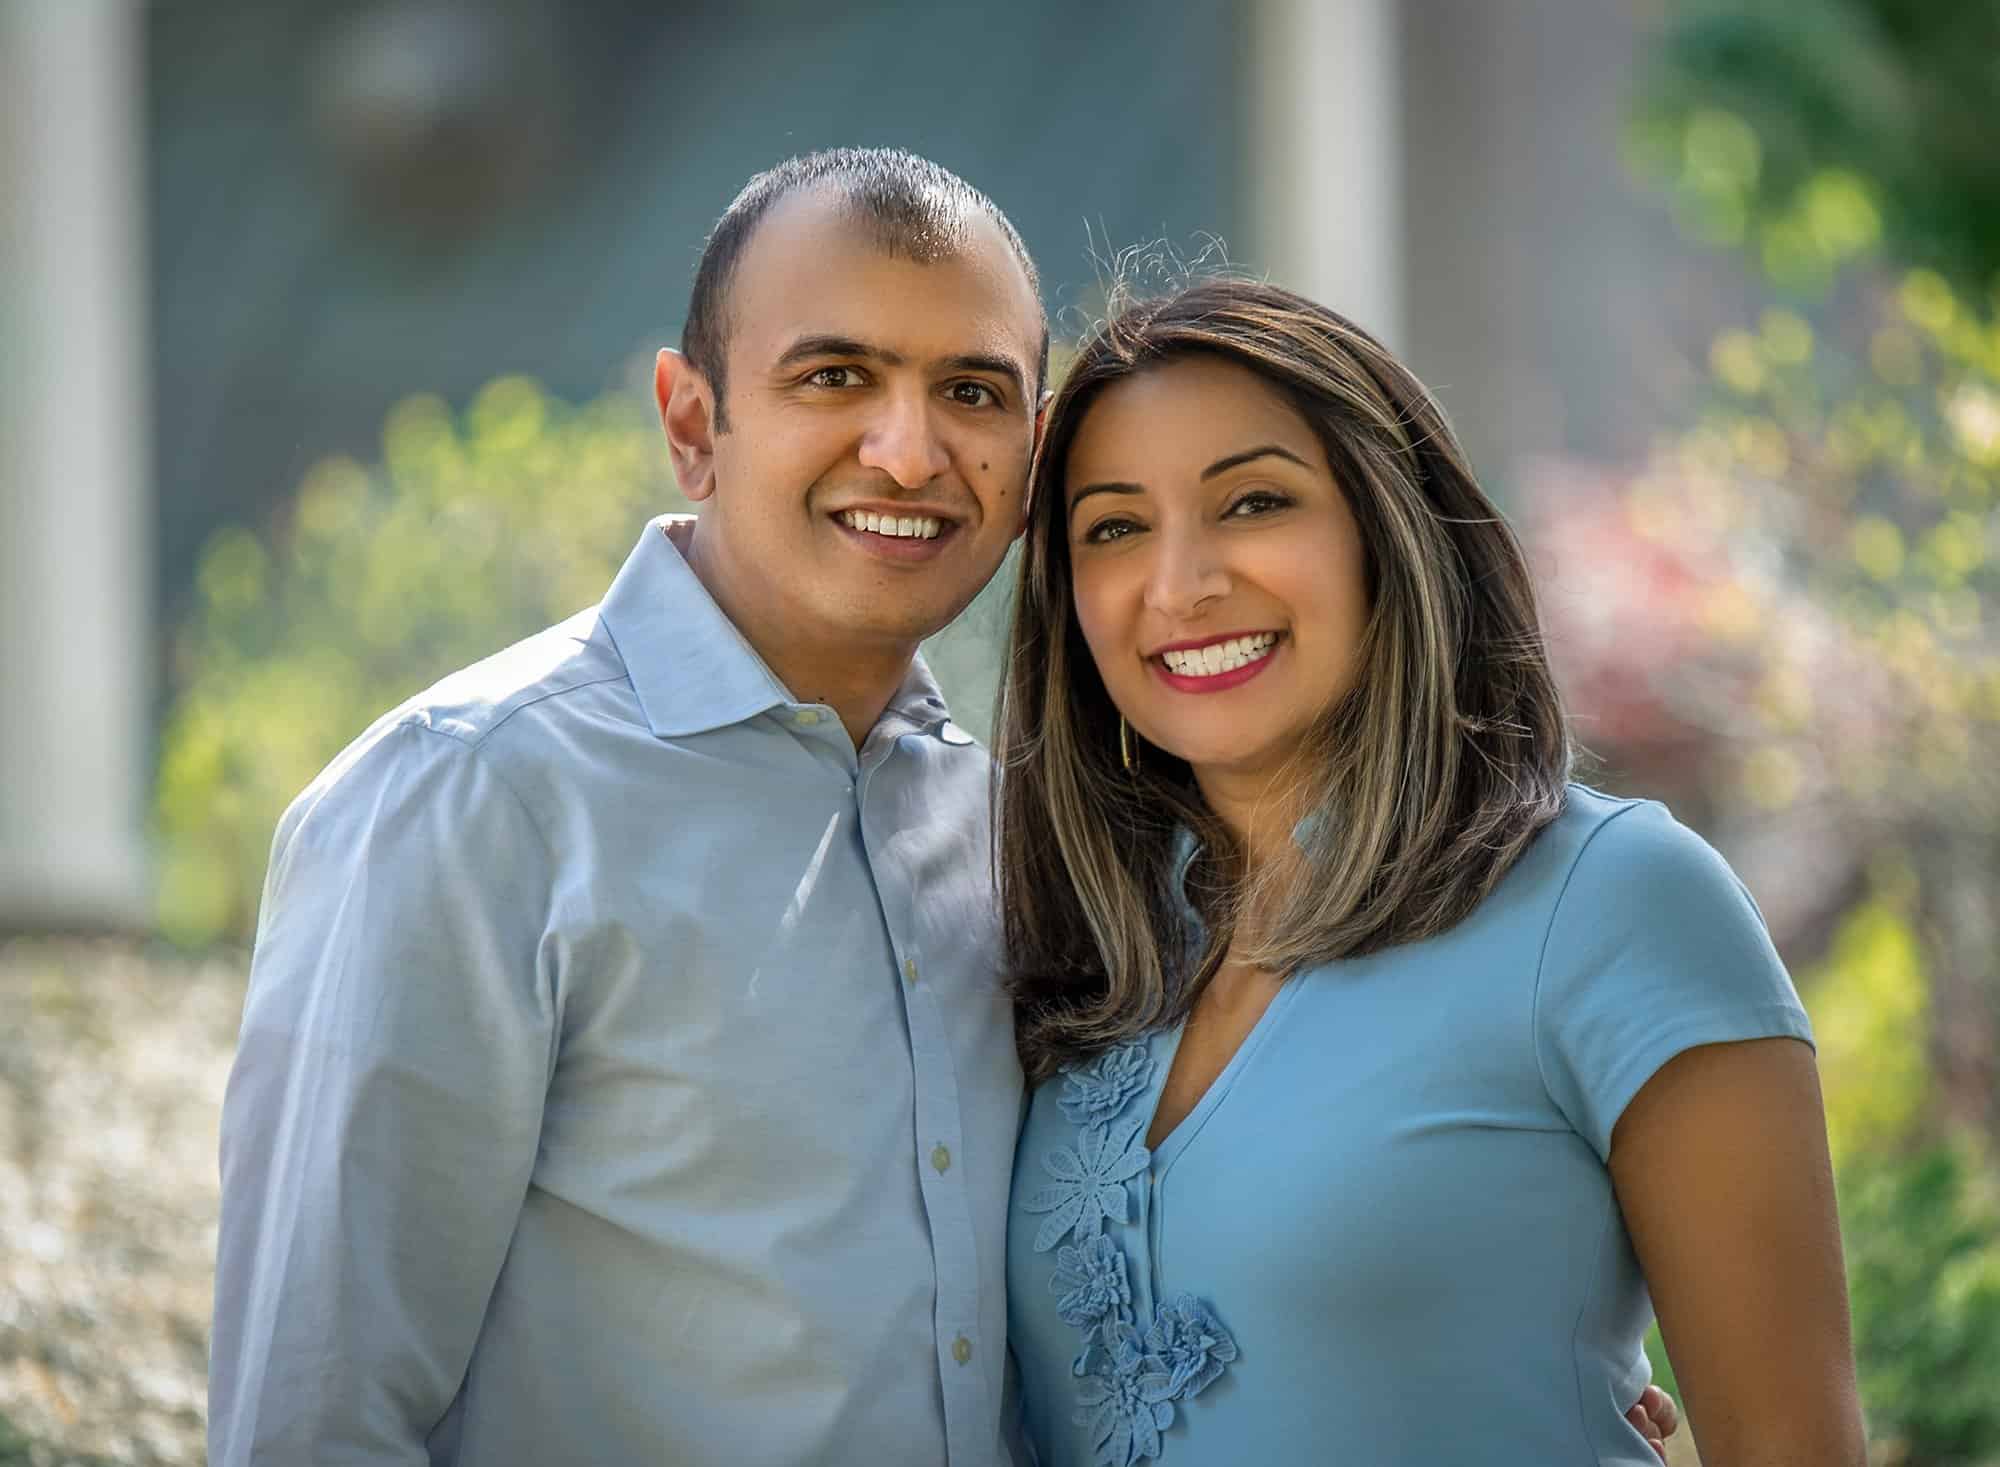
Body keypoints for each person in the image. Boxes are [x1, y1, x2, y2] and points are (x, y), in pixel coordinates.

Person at [209, 147, 1683, 1465]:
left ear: (1032, 451)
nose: (909, 452)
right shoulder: (468, 798)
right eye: (834, 377)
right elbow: (316, 1414)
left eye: (971, 392)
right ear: (691, 420)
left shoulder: (1024, 842)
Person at [994, 276, 1867, 1466]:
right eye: (1113, 527)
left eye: (1252, 502)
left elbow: (1790, 1446)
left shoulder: (1613, 902)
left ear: (1384, 530)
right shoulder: (1085, 958)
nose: (1179, 583)